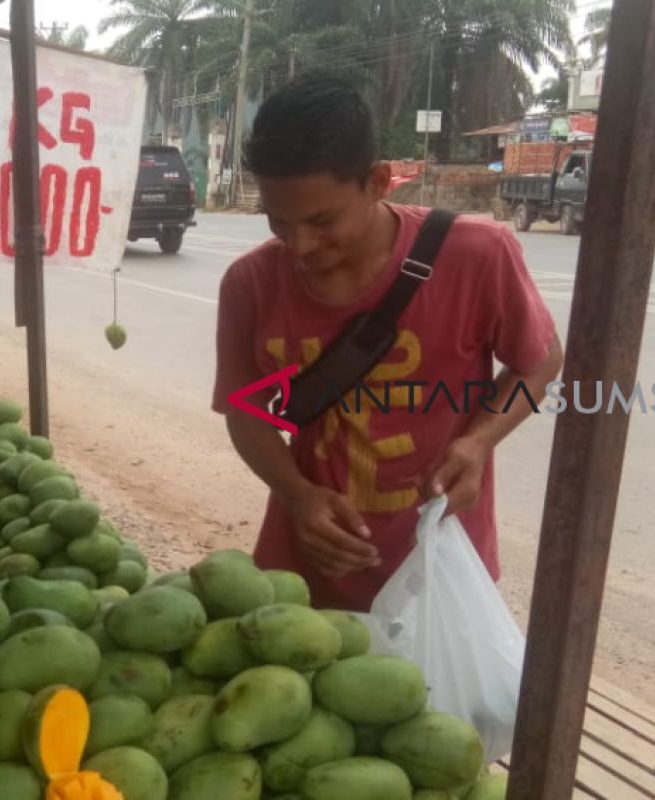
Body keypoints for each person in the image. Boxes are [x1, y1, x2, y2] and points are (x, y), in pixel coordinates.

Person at [212, 74, 563, 611]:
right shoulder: (250, 283)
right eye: (278, 221)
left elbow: (539, 362)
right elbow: (248, 414)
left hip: (437, 560)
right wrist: (297, 494)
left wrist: (477, 443)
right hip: (309, 564)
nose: (300, 245)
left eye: (322, 221)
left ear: (378, 181)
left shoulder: (476, 254)